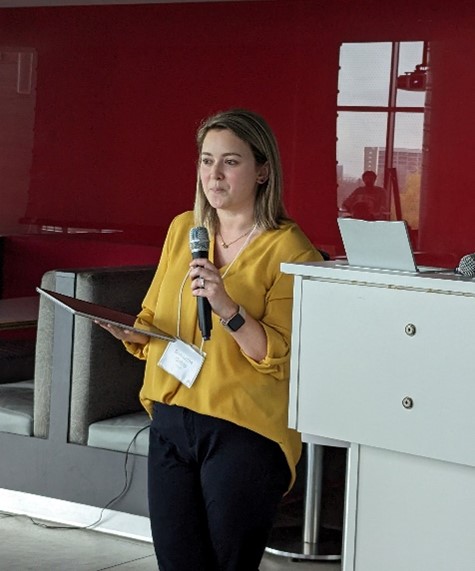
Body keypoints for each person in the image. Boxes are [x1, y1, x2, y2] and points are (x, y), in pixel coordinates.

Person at [100, 108, 322, 570]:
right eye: (206, 160)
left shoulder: (292, 250)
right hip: (171, 417)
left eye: (230, 162)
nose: (213, 175)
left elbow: (278, 357)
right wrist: (131, 331)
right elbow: (154, 315)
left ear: (263, 171)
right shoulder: (185, 229)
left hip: (243, 430)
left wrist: (228, 309)